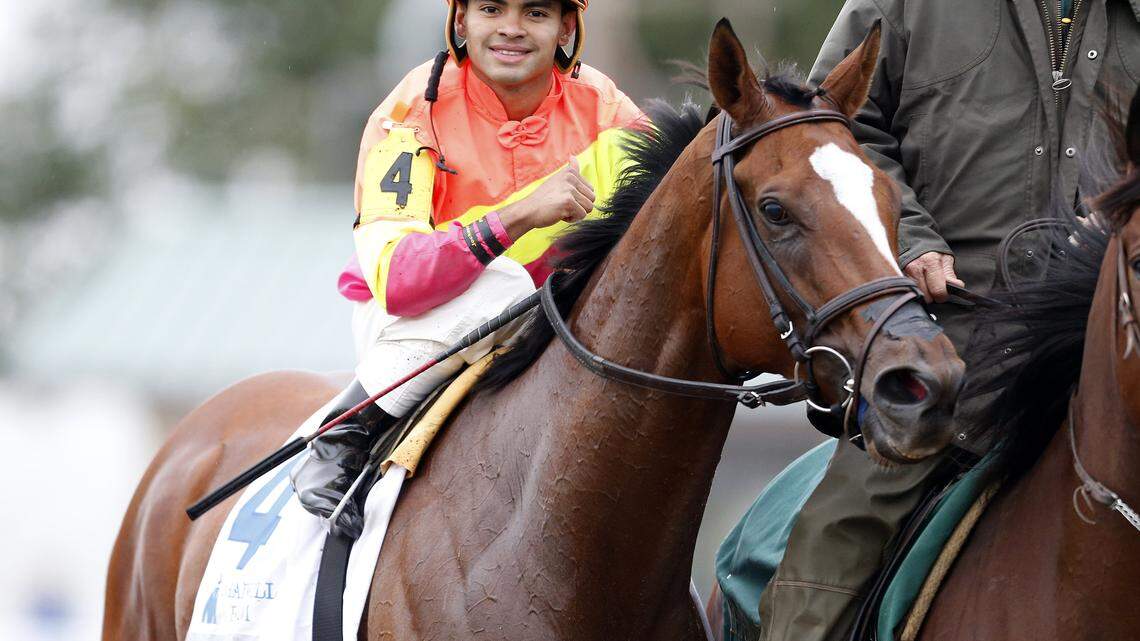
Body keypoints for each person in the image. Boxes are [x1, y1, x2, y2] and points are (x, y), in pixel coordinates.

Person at [718, 1, 1140, 639]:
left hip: (1108, 343)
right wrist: (912, 239)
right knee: (837, 538)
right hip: (941, 333)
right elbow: (826, 135)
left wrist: (1117, 222)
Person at [289, 0, 642, 539]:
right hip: (414, 324)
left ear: (567, 26)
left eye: (536, 13)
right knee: (508, 283)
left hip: (543, 312)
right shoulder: (411, 112)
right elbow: (401, 281)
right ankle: (345, 430)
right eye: (492, 8)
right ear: (460, 21)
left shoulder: (607, 110)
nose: (511, 29)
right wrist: (519, 216)